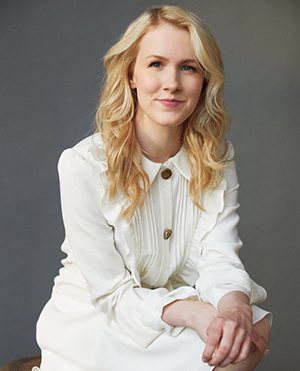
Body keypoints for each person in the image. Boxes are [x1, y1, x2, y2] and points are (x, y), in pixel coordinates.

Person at [34, 5, 271, 371]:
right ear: (131, 75)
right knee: (227, 345)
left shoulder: (216, 156)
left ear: (204, 80)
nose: (172, 83)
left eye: (188, 67)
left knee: (252, 327)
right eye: (156, 64)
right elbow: (111, 293)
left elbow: (219, 257)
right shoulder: (83, 165)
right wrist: (193, 313)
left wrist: (233, 309)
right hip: (99, 318)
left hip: (165, 303)